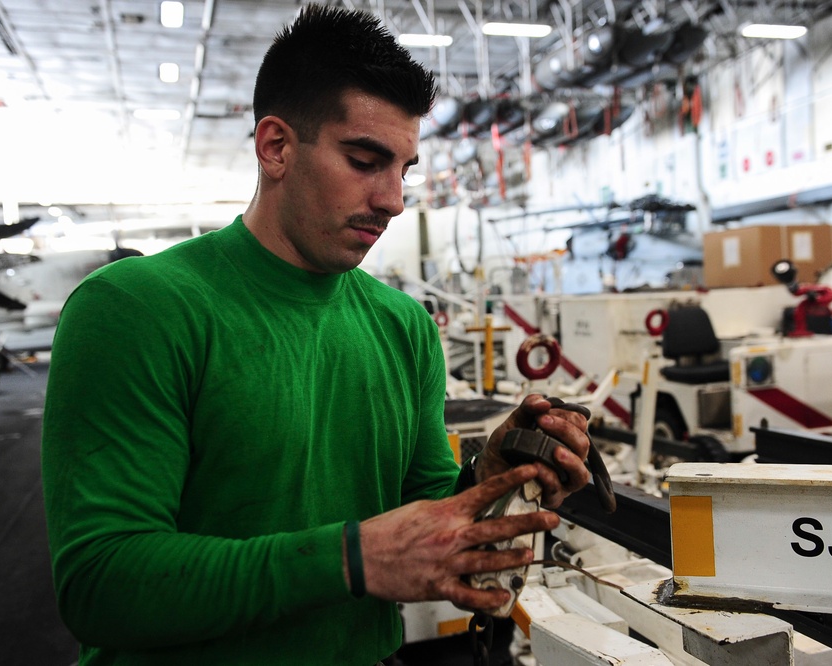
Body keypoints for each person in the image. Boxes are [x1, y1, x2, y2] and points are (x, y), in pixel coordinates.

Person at [41, 5, 592, 665]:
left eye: (404, 169)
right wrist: (350, 558)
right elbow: (101, 585)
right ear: (276, 147)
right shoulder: (137, 309)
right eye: (366, 160)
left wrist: (491, 477)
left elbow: (422, 524)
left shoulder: (403, 326)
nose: (394, 199)